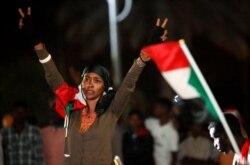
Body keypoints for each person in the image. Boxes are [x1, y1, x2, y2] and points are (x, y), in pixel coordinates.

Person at [17, 2, 168, 164]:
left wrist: (142, 58)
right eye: (87, 79)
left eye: (96, 81)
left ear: (104, 88)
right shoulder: (72, 110)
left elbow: (128, 84)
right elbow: (53, 76)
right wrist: (38, 45)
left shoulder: (111, 111)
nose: (90, 84)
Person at [0, 101, 45, 165]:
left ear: (26, 113)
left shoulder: (34, 132)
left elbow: (39, 157)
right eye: (17, 112)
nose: (19, 115)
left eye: (22, 112)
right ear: (12, 113)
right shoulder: (4, 133)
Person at [145, 97, 179, 165]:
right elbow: (142, 123)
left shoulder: (172, 132)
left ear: (164, 109)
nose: (154, 109)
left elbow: (174, 156)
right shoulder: (152, 123)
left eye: (157, 107)